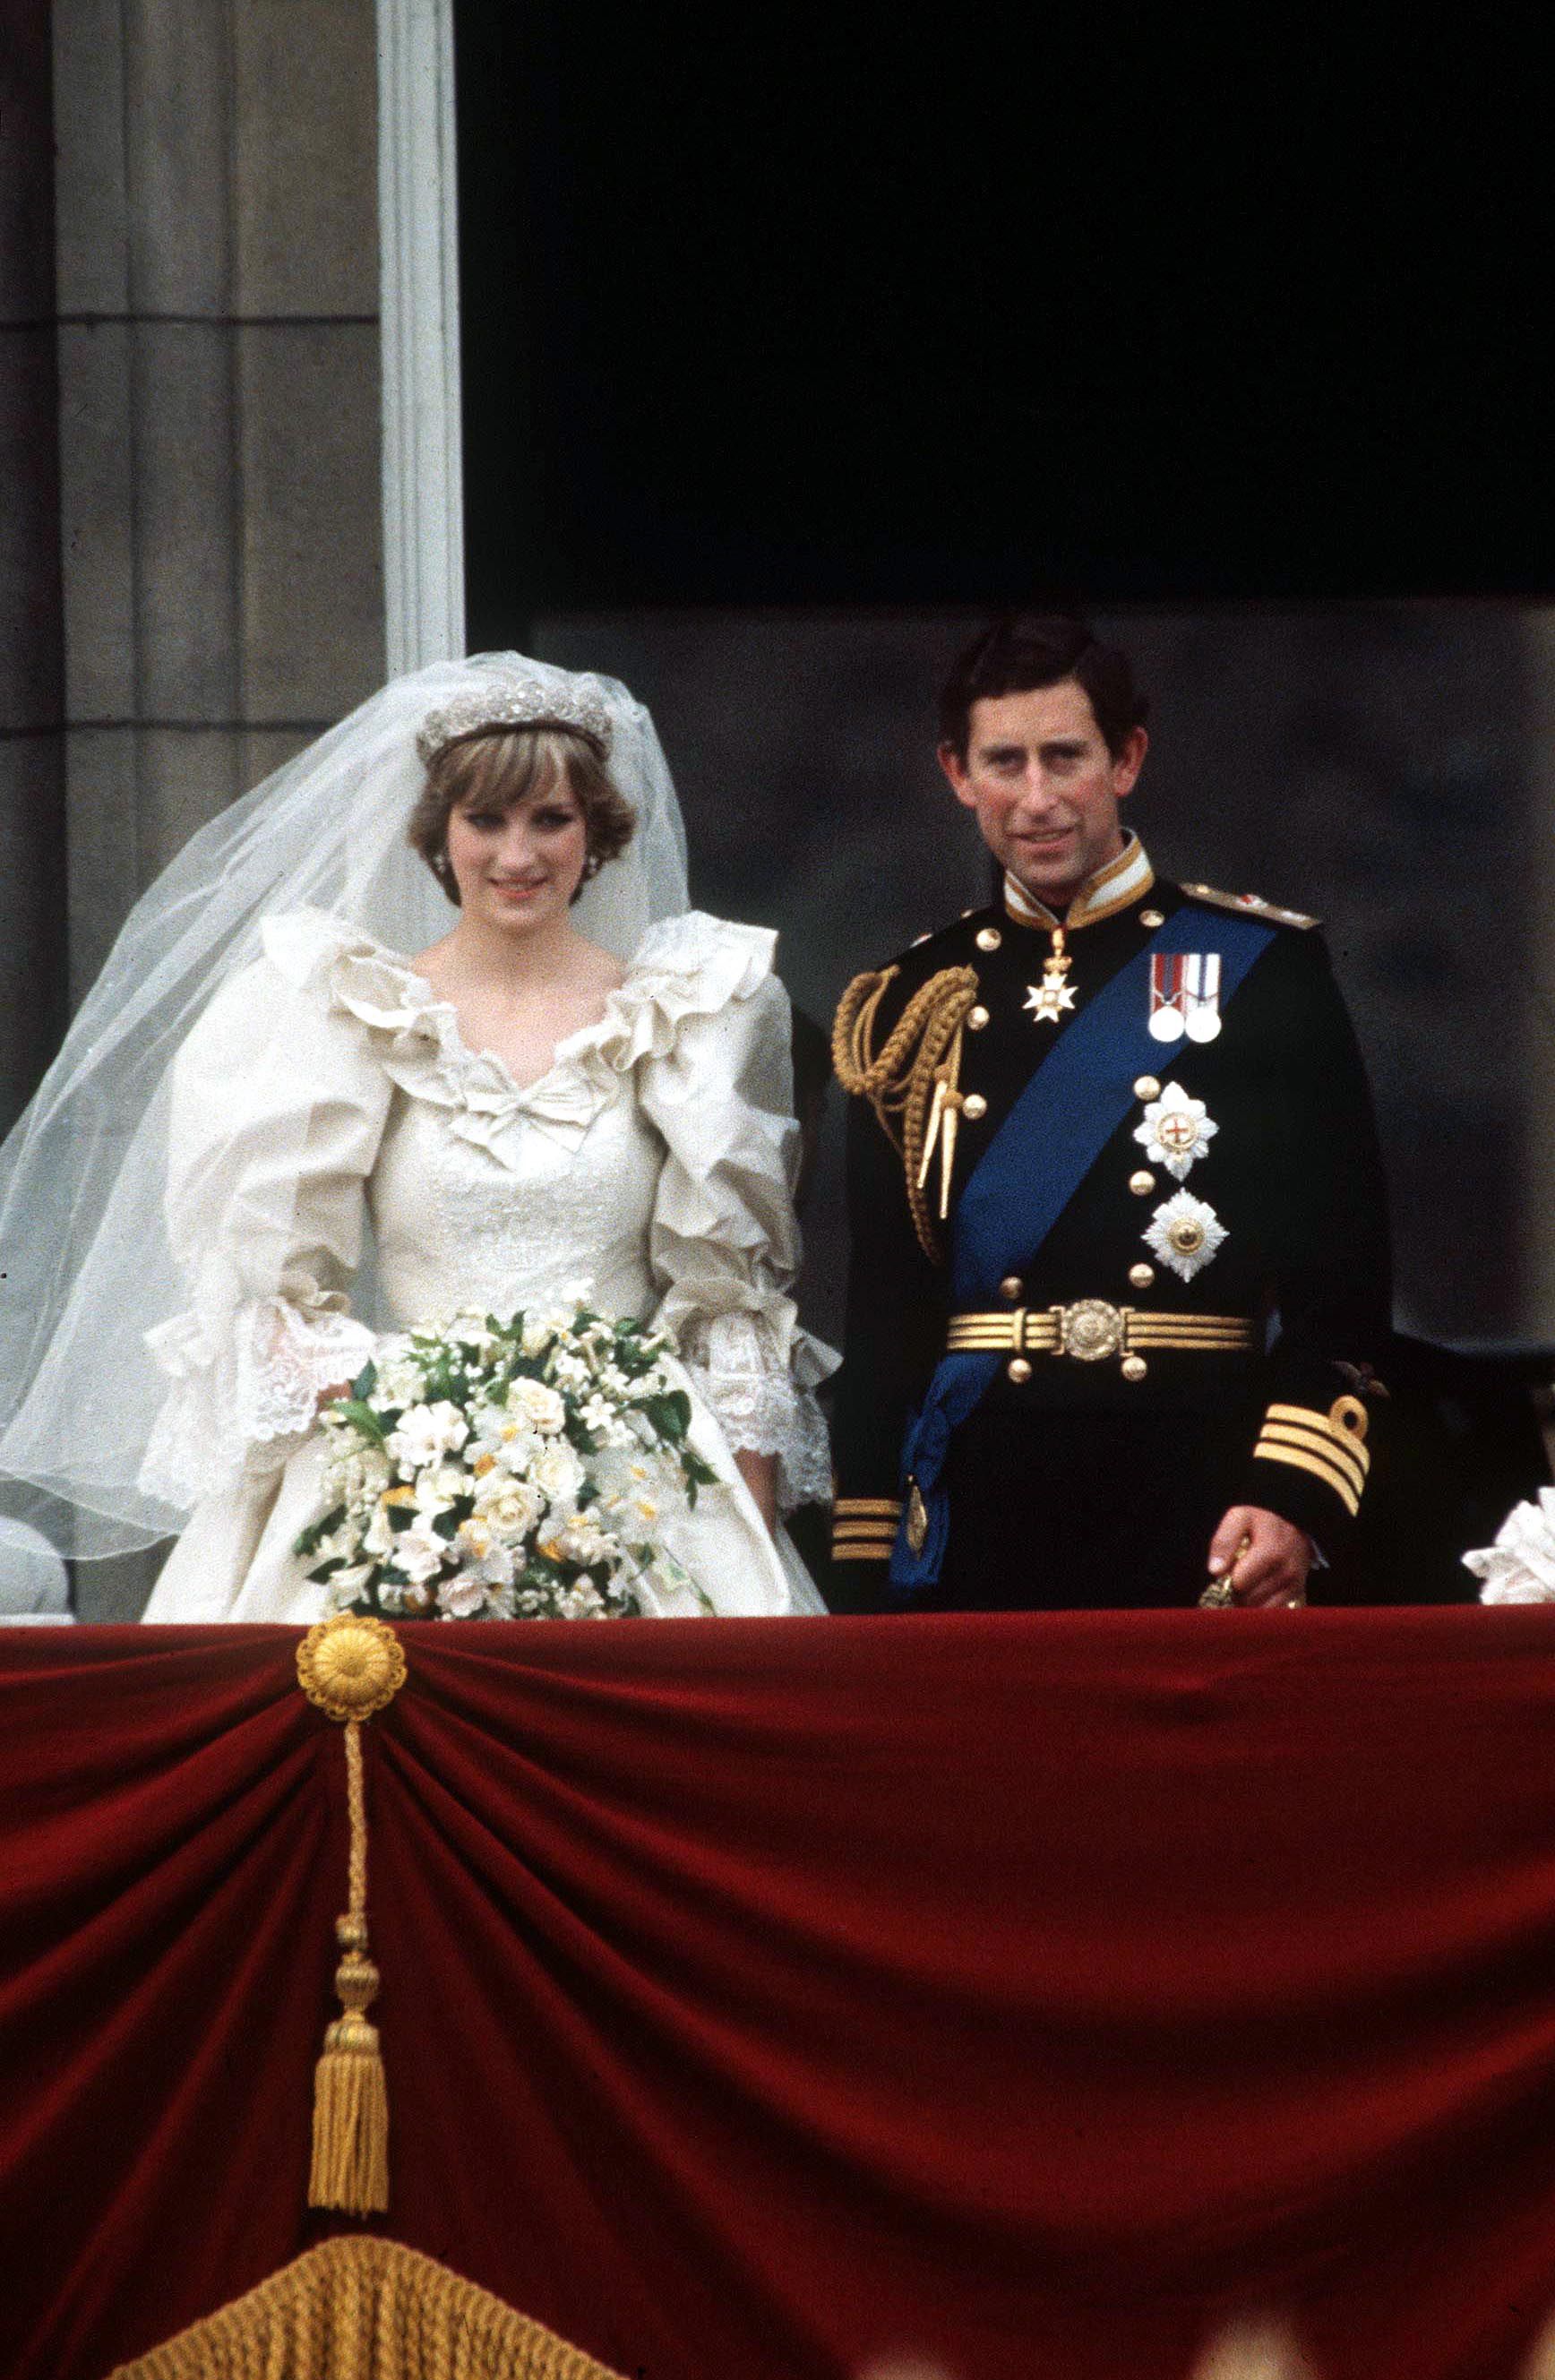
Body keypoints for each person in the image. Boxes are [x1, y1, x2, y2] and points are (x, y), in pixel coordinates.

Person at [0, 656, 830, 1620]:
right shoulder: (342, 1011)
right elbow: (266, 1297)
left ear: (596, 831)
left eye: (549, 819)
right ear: (438, 832)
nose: (516, 855)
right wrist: (419, 1411)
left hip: (639, 1496)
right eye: (486, 820)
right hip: (400, 1481)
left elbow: (729, 1313)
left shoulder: (691, 1015)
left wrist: (752, 1568)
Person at [828, 617, 1392, 1613]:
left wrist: (1287, 1491)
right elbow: (884, 1316)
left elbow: (1339, 1283)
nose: (1036, 797)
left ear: (1125, 757)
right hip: (980, 1509)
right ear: (957, 774)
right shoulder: (910, 1000)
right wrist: (869, 1545)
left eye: (1066, 757)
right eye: (1004, 761)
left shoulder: (1259, 969)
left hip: (1198, 1491)